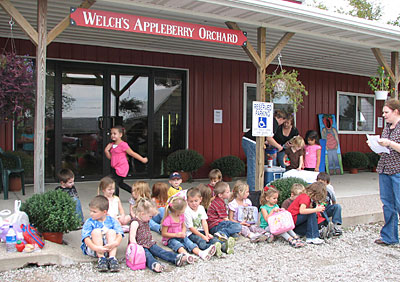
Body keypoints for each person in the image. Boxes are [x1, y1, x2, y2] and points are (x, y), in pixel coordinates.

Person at [369, 99, 400, 246]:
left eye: (386, 112)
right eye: (383, 112)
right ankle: (390, 237)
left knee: (399, 204)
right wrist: (377, 147)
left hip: (398, 170)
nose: (384, 115)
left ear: (396, 111)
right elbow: (385, 151)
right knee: (388, 204)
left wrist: (390, 143)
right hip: (385, 169)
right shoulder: (387, 127)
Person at [129, 198, 189, 273]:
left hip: (149, 242)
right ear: (142, 214)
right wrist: (136, 247)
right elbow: (132, 236)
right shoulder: (135, 223)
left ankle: (175, 258)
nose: (151, 218)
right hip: (140, 246)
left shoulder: (145, 220)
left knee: (160, 251)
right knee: (147, 255)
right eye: (150, 216)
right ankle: (154, 264)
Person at [242, 109, 287, 191]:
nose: (282, 124)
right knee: (253, 167)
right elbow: (269, 138)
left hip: (249, 141)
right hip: (252, 142)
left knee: (256, 166)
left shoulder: (270, 120)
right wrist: (279, 147)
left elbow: (265, 138)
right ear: (281, 119)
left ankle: (255, 187)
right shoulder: (274, 123)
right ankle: (253, 190)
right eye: (283, 122)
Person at [81, 195, 124, 272]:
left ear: (104, 212)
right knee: (96, 231)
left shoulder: (112, 221)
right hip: (94, 249)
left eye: (94, 212)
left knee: (112, 232)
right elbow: (85, 238)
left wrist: (115, 243)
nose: (91, 214)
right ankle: (101, 259)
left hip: (108, 248)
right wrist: (95, 248)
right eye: (90, 211)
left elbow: (120, 234)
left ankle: (112, 258)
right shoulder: (89, 222)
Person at [104, 125, 148, 196]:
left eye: (115, 134)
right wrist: (106, 151)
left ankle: (115, 198)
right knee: (120, 183)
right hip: (115, 167)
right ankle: (135, 193)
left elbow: (132, 153)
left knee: (114, 183)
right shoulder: (112, 145)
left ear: (120, 135)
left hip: (121, 167)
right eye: (111, 133)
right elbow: (111, 158)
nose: (112, 135)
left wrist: (142, 159)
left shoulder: (123, 145)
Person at [184, 187, 223, 257]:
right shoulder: (187, 211)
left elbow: (204, 222)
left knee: (212, 238)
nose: (194, 203)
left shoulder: (201, 208)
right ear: (187, 201)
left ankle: (223, 246)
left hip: (201, 230)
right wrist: (203, 236)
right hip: (191, 233)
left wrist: (207, 234)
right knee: (200, 241)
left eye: (196, 201)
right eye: (191, 201)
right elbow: (191, 228)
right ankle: (212, 249)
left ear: (200, 199)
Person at [160, 197, 199, 262]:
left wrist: (183, 232)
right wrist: (176, 235)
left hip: (180, 235)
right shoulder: (168, 220)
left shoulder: (181, 216)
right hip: (170, 239)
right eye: (183, 211)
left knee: (189, 242)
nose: (184, 212)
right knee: (178, 245)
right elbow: (164, 233)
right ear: (178, 211)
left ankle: (200, 253)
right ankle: (186, 255)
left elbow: (184, 226)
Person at [207, 181, 240, 254]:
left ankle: (226, 239)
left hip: (215, 224)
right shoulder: (219, 203)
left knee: (233, 229)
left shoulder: (218, 201)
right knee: (238, 226)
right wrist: (232, 223)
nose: (229, 193)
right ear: (220, 195)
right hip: (215, 225)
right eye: (227, 192)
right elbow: (225, 218)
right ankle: (222, 233)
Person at [316, 172, 343, 237]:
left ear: (327, 183)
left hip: (327, 208)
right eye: (319, 182)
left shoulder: (329, 190)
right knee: (321, 209)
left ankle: (336, 225)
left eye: (323, 182)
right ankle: (328, 226)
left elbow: (334, 200)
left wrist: (334, 209)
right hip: (319, 210)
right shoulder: (315, 190)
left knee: (337, 207)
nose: (321, 184)